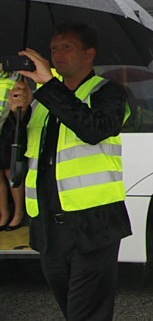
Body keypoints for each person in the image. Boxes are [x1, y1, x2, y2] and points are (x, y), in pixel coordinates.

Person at [8, 23, 132, 320]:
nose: (57, 54)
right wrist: (18, 114)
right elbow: (12, 152)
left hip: (93, 224)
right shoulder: (42, 100)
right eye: (53, 49)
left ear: (89, 54)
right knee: (72, 309)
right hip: (49, 229)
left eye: (67, 47)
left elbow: (93, 129)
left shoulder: (109, 92)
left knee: (86, 313)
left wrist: (49, 86)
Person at [1, 70, 25, 231]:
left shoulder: (15, 73)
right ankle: (3, 213)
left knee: (11, 171)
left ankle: (19, 212)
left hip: (9, 125)